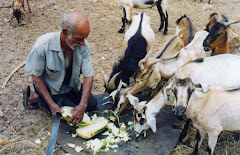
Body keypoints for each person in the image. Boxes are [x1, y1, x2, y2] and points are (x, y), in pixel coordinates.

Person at [23, 11, 97, 125]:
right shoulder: (43, 45)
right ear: (65, 32)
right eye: (78, 39)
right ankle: (35, 96)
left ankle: (59, 98)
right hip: (50, 86)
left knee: (91, 104)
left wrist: (83, 105)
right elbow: (36, 77)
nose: (82, 43)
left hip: (69, 85)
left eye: (84, 39)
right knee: (65, 113)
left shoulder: (84, 46)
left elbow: (88, 76)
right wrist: (51, 104)